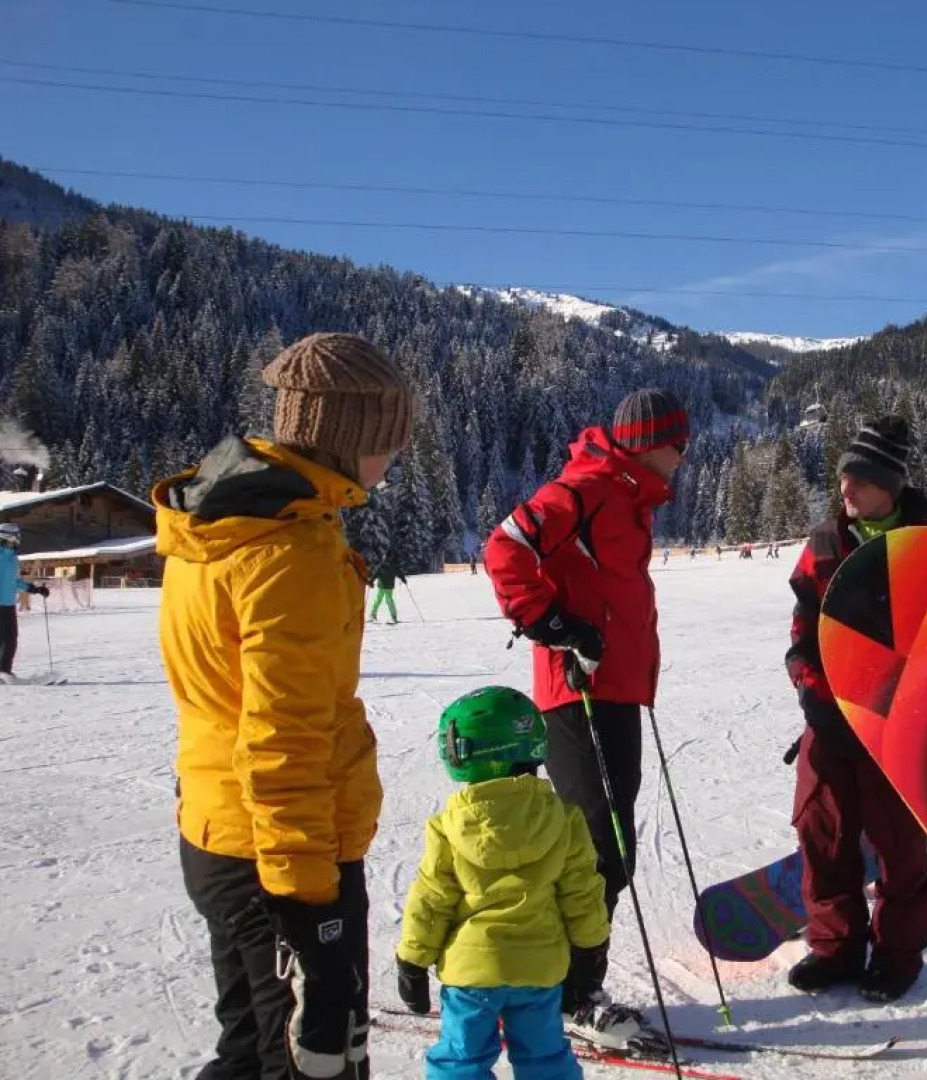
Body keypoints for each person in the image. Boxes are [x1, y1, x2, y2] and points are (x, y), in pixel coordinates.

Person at [155, 332, 414, 1080]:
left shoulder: (228, 522)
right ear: (347, 437)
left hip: (218, 828)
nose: (392, 460)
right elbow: (282, 741)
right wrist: (313, 916)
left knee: (248, 1049)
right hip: (281, 856)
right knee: (315, 1062)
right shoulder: (286, 552)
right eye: (387, 442)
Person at [484, 387, 688, 1043]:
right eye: (677, 445)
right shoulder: (591, 487)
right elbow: (505, 547)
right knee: (598, 849)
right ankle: (569, 996)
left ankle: (563, 984)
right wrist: (553, 623)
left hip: (615, 690)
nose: (682, 458)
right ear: (654, 443)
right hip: (579, 693)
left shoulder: (626, 497)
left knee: (611, 849)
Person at [783, 416, 927, 1003]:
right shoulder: (824, 543)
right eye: (845, 476)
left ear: (890, 487)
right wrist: (808, 687)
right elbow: (802, 626)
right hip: (829, 714)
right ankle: (835, 947)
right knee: (822, 833)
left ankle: (897, 955)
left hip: (897, 719)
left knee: (898, 844)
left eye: (862, 480)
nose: (846, 489)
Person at [395, 687, 610, 1077]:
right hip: (539, 970)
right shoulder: (563, 819)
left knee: (462, 1060)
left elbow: (431, 900)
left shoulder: (449, 827)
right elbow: (582, 892)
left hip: (471, 975)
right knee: (545, 1058)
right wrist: (591, 949)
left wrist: (412, 960)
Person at [0, 523, 49, 684]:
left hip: (8, 605)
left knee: (10, 639)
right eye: (16, 537)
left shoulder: (13, 558)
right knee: (8, 640)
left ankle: (3, 672)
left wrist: (34, 589)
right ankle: (3, 672)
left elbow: (14, 582)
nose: (18, 540)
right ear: (8, 537)